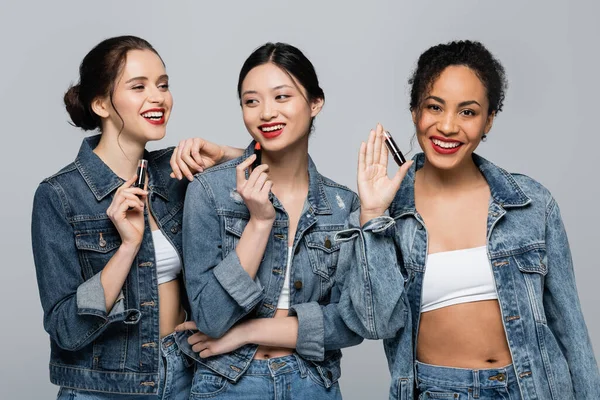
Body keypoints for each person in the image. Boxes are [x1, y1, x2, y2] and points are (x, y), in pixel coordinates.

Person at [339, 40, 600, 399]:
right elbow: (376, 322)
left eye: (467, 112)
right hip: (439, 391)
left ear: (488, 119)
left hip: (535, 388)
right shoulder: (387, 214)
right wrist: (371, 216)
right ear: (415, 111)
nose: (447, 126)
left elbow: (571, 330)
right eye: (434, 107)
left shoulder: (531, 203)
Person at [31, 35, 236, 399]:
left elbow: (278, 170)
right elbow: (65, 329)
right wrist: (127, 247)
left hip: (187, 375)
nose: (157, 97)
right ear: (100, 103)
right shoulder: (59, 196)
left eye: (163, 85)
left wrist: (220, 154)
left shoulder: (177, 174)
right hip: (104, 388)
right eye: (138, 86)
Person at [177, 42, 381, 399]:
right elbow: (209, 318)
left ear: (315, 102)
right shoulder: (210, 191)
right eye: (251, 101)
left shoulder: (342, 204)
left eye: (282, 97)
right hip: (228, 382)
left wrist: (250, 331)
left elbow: (351, 323)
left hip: (312, 382)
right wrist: (258, 223)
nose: (266, 113)